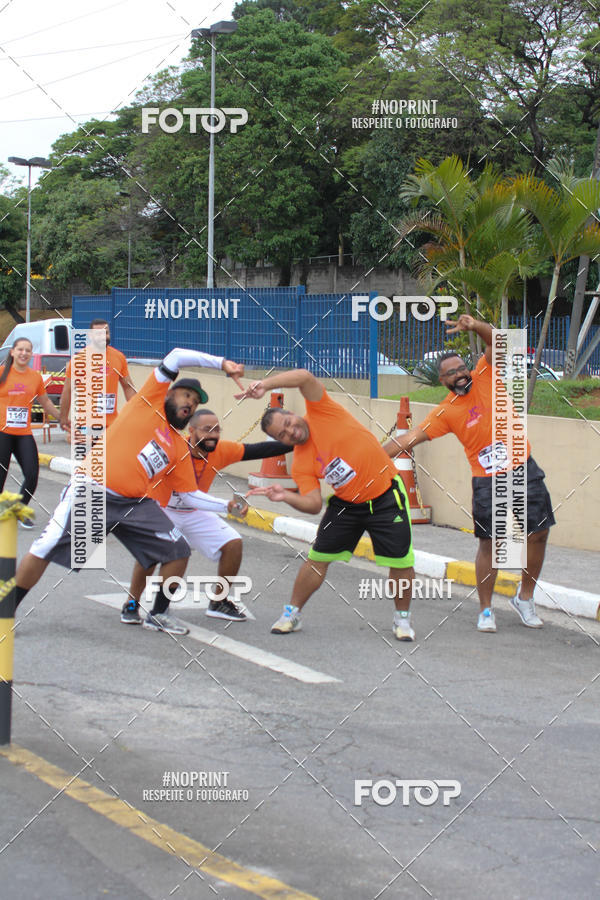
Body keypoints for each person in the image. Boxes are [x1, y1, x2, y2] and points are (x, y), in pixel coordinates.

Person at [15, 347, 246, 636]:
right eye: (186, 395)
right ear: (169, 394)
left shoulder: (177, 445)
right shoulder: (146, 402)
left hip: (133, 503)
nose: (190, 403)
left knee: (178, 550)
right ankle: (6, 610)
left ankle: (158, 614)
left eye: (195, 402)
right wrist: (223, 363)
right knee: (45, 549)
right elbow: (175, 356)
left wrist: (227, 506)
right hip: (95, 490)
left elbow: (188, 495)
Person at [384, 314, 554, 633]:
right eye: (451, 374)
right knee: (490, 543)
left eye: (461, 368)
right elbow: (409, 437)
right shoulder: (446, 412)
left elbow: (500, 342)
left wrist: (476, 326)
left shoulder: (486, 373)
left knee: (539, 533)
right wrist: (372, 456)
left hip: (523, 470)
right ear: (443, 381)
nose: (460, 375)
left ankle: (525, 598)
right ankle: (486, 609)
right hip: (487, 481)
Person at [237, 369, 416, 640]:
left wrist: (264, 384)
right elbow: (311, 504)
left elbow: (304, 377)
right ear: (280, 441)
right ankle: (292, 613)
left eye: (287, 422)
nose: (290, 431)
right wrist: (285, 496)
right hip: (346, 504)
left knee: (401, 561)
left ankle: (402, 620)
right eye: (282, 434)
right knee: (316, 559)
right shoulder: (301, 462)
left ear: (292, 413)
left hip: (386, 496)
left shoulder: (321, 410)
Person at [121, 408, 292, 624]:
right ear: (191, 430)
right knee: (151, 556)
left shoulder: (220, 450)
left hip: (194, 512)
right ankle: (132, 604)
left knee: (233, 543)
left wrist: (300, 441)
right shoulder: (172, 448)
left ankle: (218, 602)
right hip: (161, 510)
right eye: (206, 430)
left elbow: (258, 450)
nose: (213, 435)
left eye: (217, 430)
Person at [0, 337, 60, 528]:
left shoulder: (34, 377)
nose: (24, 353)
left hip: (23, 433)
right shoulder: (2, 373)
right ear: (12, 352)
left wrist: (64, 419)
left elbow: (46, 403)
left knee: (32, 474)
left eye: (28, 350)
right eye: (20, 350)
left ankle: (17, 510)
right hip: (2, 432)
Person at [60, 319, 135, 435]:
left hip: (111, 425)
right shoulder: (79, 360)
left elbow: (128, 387)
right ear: (90, 335)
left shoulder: (119, 357)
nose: (103, 336)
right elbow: (67, 391)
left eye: (106, 332)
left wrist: (136, 410)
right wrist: (63, 417)